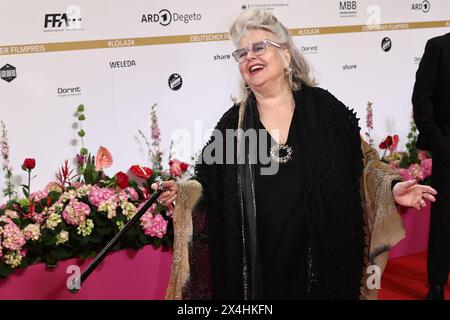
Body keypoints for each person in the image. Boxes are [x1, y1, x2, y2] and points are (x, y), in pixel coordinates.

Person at [158, 9, 437, 300]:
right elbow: (207, 182)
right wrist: (182, 192)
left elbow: (365, 162)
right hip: (256, 267)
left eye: (259, 48)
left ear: (286, 55)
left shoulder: (325, 110)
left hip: (320, 259)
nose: (249, 57)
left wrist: (392, 187)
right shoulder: (233, 124)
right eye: (241, 54)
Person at [413, 32, 450, 300]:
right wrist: (440, 143)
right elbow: (421, 98)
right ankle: (436, 284)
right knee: (444, 218)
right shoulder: (438, 47)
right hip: (448, 146)